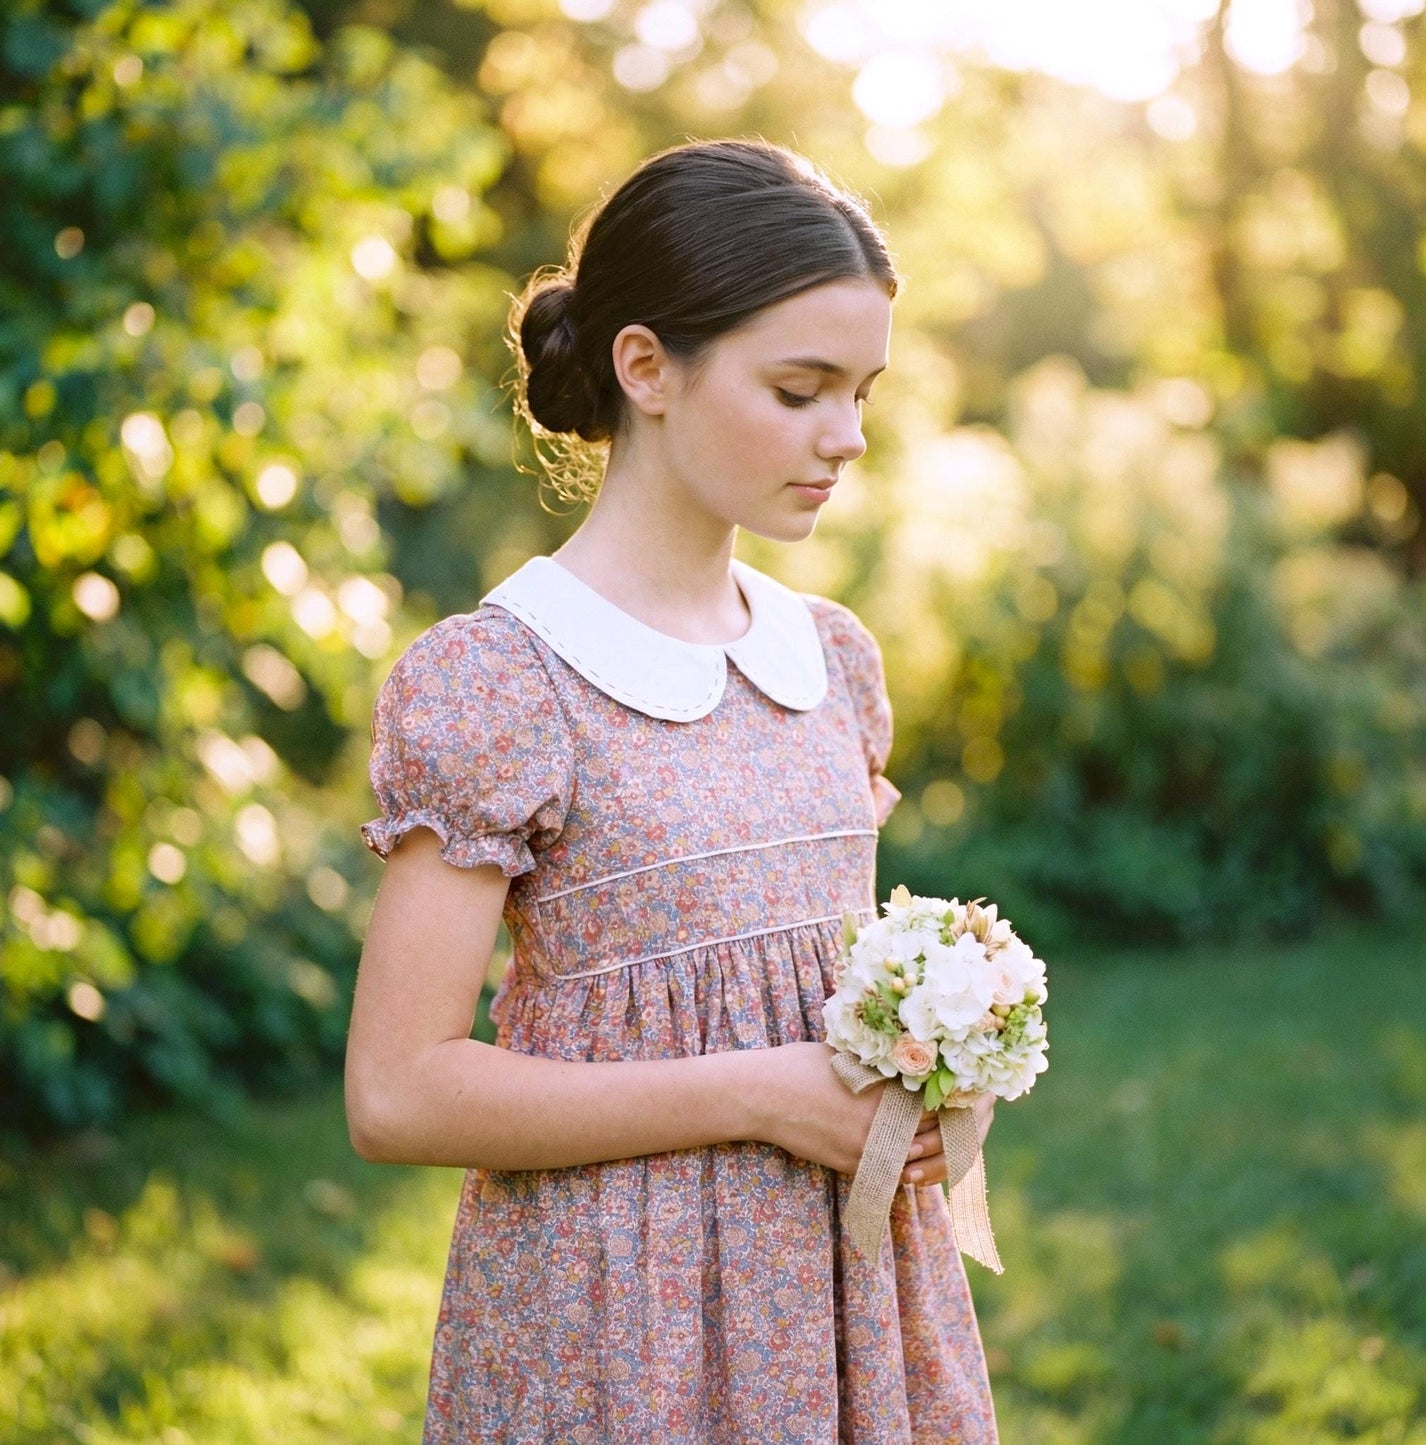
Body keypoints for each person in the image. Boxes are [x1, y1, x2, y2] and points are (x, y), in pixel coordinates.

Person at [344, 138, 998, 1443]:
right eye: (798, 387)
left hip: (845, 1293)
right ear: (645, 366)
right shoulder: (505, 681)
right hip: (618, 1309)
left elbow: (813, 985)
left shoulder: (832, 661)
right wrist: (756, 1093)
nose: (846, 436)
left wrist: (931, 1083)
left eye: (860, 391)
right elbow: (397, 1091)